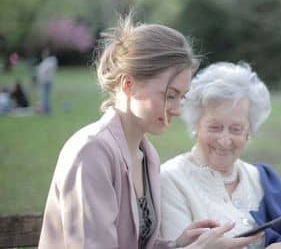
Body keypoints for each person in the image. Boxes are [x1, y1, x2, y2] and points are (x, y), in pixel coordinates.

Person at [39, 15, 261, 249]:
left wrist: (178, 244)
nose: (176, 110)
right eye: (169, 95)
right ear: (128, 85)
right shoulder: (91, 153)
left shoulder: (147, 155)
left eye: (181, 97)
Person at [159, 62, 281, 249]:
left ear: (249, 132)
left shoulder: (262, 180)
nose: (225, 140)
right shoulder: (172, 179)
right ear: (196, 125)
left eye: (236, 129)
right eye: (215, 127)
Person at [36, 48, 57, 114]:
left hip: (46, 81)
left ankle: (46, 109)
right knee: (45, 95)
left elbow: (44, 71)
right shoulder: (47, 62)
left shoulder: (50, 61)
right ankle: (46, 108)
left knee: (45, 95)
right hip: (45, 81)